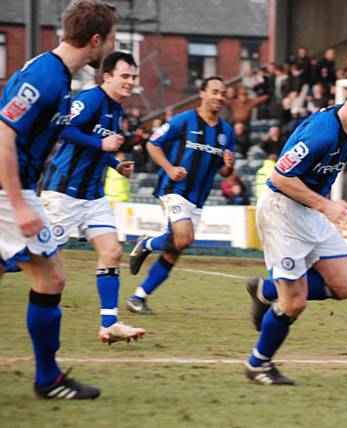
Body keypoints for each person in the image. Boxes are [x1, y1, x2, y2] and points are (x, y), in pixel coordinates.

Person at [243, 72, 347, 385]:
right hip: (282, 212)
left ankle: (266, 289)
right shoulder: (322, 133)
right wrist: (327, 206)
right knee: (293, 303)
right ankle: (259, 364)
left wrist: (323, 207)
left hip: (310, 211)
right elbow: (280, 178)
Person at [0, 0, 117, 399]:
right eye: (112, 39)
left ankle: (48, 377)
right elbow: (3, 134)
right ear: (96, 39)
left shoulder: (57, 74)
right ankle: (48, 379)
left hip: (14, 189)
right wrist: (17, 202)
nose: (112, 47)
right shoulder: (46, 77)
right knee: (51, 277)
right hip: (6, 191)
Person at [40, 51, 145, 345]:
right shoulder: (90, 99)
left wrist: (116, 163)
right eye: (124, 76)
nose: (130, 82)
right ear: (107, 76)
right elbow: (62, 128)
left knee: (111, 252)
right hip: (64, 193)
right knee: (37, 257)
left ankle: (109, 324)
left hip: (93, 195)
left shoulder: (117, 108)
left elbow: (100, 147)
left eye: (133, 77)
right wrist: (102, 143)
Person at [126, 76, 235, 314]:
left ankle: (138, 298)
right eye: (214, 91)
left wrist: (229, 165)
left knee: (175, 250)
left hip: (198, 198)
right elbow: (152, 144)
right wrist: (169, 168)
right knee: (184, 239)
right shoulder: (183, 120)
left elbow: (225, 172)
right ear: (203, 94)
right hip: (175, 191)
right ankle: (147, 243)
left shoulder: (226, 131)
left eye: (223, 93)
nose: (219, 97)